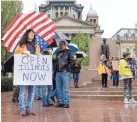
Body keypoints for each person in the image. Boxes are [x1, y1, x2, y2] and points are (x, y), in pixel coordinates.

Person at [14, 29, 40, 117]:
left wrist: (39, 56)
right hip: (24, 73)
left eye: (33, 33)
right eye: (31, 33)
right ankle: (23, 108)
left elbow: (38, 59)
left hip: (33, 72)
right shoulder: (21, 45)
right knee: (22, 92)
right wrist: (24, 52)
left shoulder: (36, 46)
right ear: (27, 34)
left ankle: (29, 108)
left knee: (32, 92)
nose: (33, 34)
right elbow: (16, 55)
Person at [55, 40, 74, 108]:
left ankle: (66, 102)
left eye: (62, 44)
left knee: (66, 88)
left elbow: (72, 61)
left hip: (65, 72)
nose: (60, 45)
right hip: (58, 72)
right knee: (58, 88)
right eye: (59, 44)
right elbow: (56, 62)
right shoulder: (57, 53)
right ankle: (61, 102)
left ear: (65, 45)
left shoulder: (69, 52)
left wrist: (67, 69)